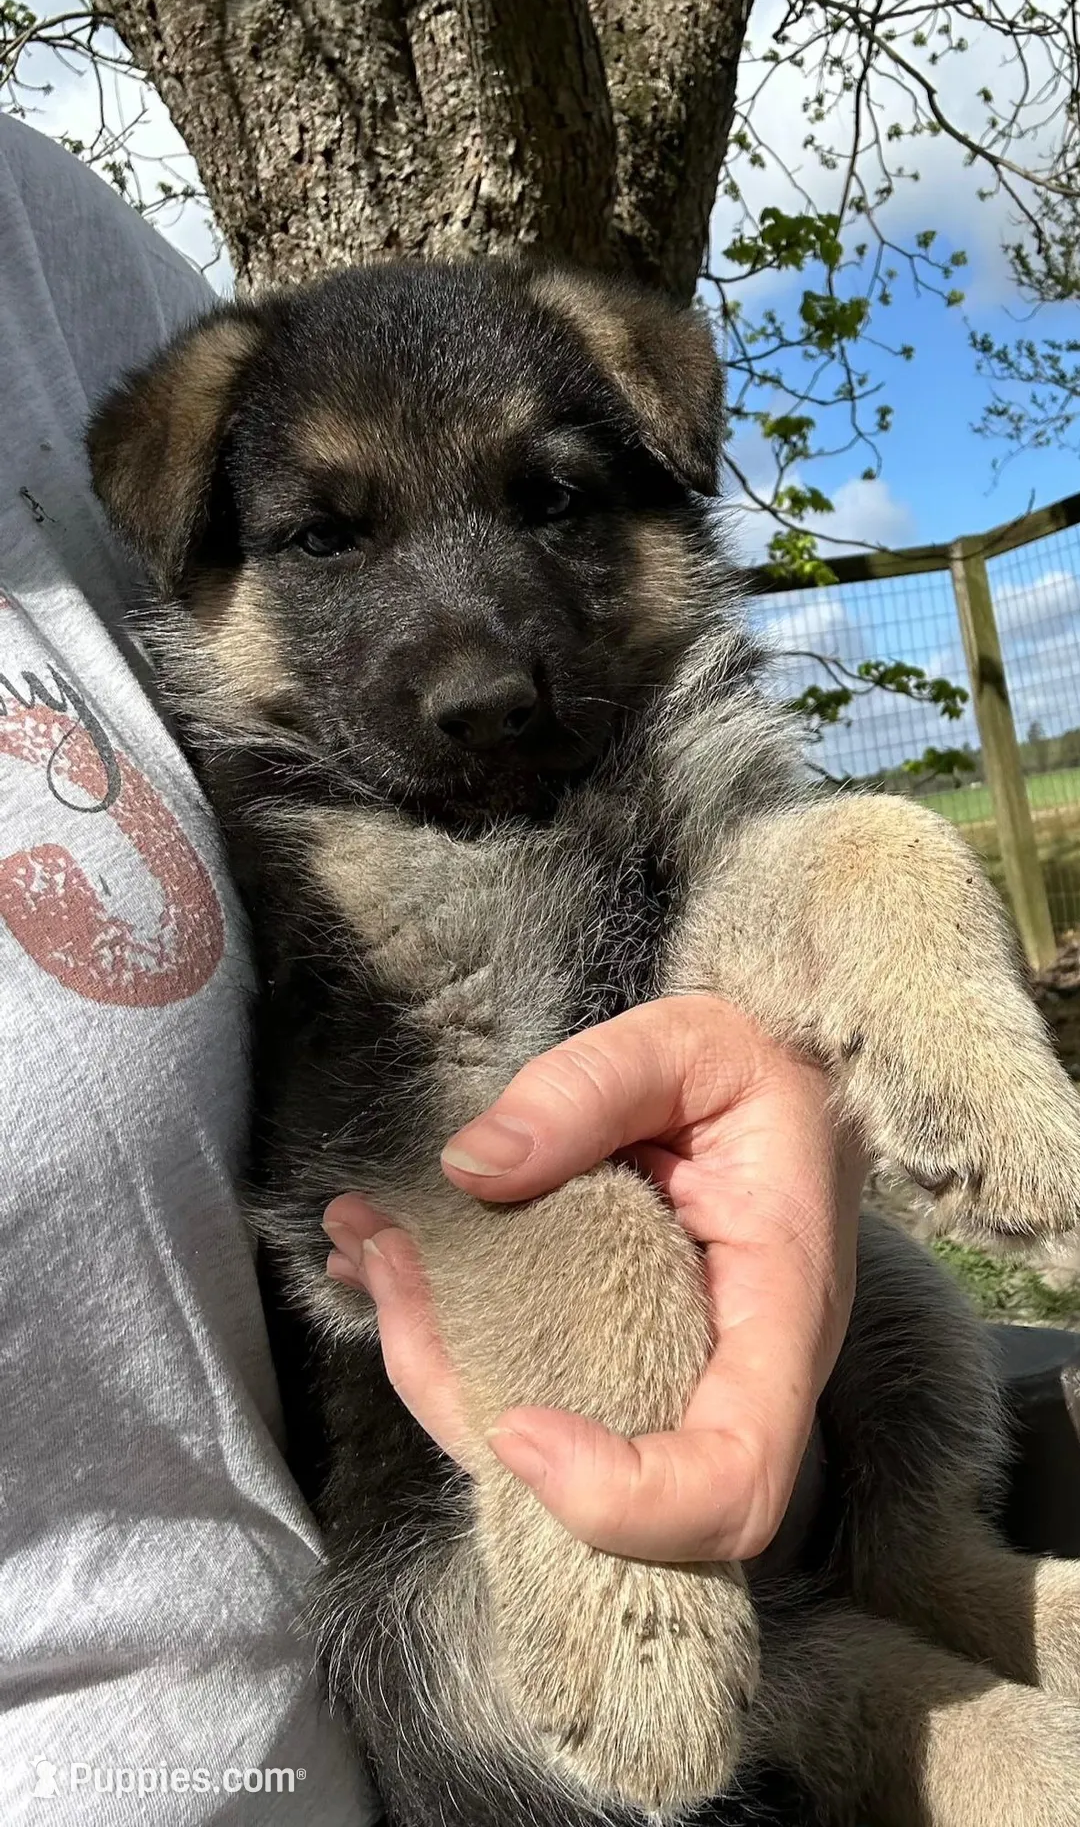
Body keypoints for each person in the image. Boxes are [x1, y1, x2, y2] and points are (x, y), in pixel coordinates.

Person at [0, 112, 857, 1822]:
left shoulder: (42, 240)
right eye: (325, 540)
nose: (467, 664)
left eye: (544, 501)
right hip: (433, 1674)